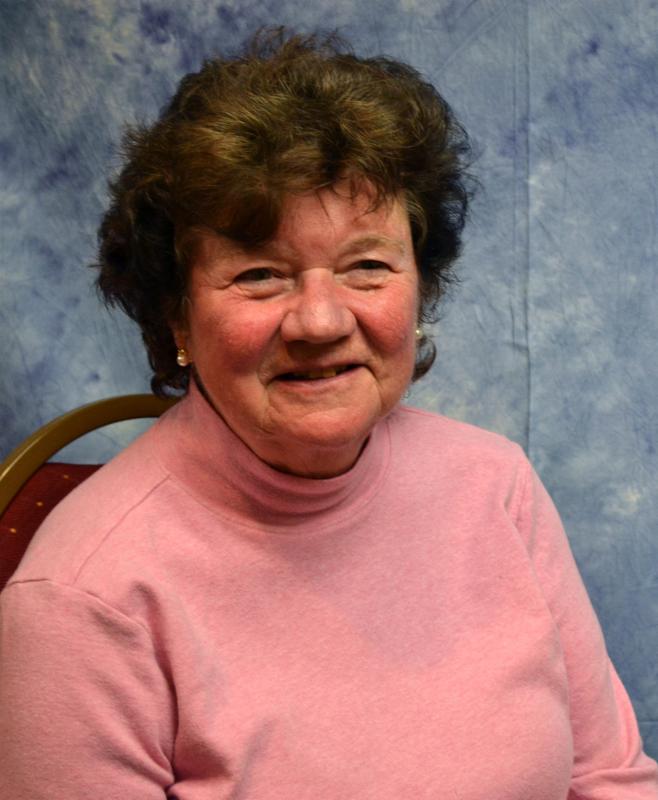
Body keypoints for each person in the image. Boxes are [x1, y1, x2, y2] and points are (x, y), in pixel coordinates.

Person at [0, 28, 656, 800]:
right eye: (260, 274)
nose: (320, 320)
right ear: (176, 315)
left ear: (420, 289)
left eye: (366, 266)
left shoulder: (496, 485)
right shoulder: (83, 599)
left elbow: (610, 778)